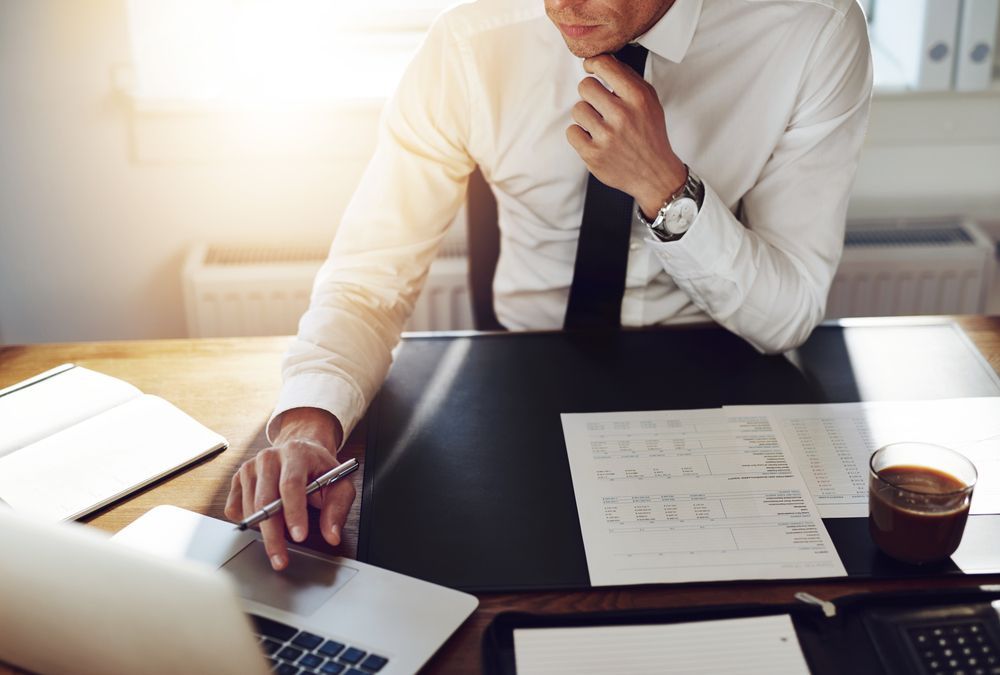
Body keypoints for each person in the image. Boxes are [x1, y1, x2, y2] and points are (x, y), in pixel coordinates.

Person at [225, 0, 873, 570]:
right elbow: (369, 278)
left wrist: (665, 187)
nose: (559, 3)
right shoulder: (469, 41)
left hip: (721, 383)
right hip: (514, 387)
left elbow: (786, 314)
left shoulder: (813, 28)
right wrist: (309, 423)